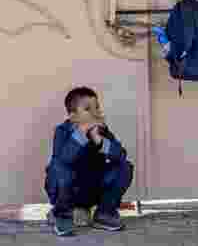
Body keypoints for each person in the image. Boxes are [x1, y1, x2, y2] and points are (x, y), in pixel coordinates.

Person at [45, 86, 134, 235]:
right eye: (88, 109)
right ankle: (62, 215)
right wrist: (82, 133)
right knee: (58, 166)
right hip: (67, 191)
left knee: (125, 166)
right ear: (73, 116)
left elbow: (121, 155)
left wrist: (99, 141)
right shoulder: (62, 131)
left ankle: (104, 213)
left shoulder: (102, 131)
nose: (95, 113)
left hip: (92, 190)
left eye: (97, 108)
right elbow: (64, 160)